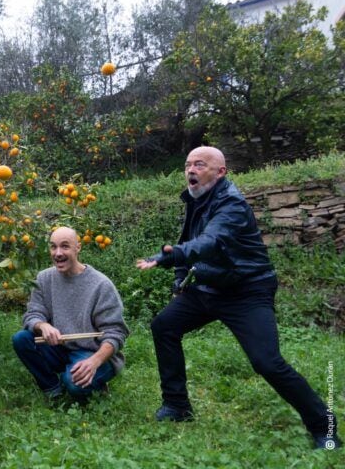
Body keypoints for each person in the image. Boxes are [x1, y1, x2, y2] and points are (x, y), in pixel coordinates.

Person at [136, 146, 341, 450]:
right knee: (164, 326)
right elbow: (190, 241)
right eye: (188, 164)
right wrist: (181, 279)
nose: (191, 169)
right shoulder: (195, 199)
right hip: (207, 286)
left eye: (200, 164)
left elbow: (211, 240)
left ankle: (325, 427)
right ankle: (177, 406)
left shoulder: (231, 203)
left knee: (267, 363)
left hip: (247, 291)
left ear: (220, 172)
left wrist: (172, 256)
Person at [12, 227, 129, 401]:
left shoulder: (101, 285)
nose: (58, 253)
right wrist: (42, 326)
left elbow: (116, 333)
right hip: (59, 348)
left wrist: (94, 362)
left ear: (78, 248)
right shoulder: (44, 278)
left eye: (65, 246)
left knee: (74, 384)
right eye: (53, 247)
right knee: (22, 339)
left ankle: (91, 380)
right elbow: (32, 314)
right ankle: (53, 388)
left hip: (93, 352)